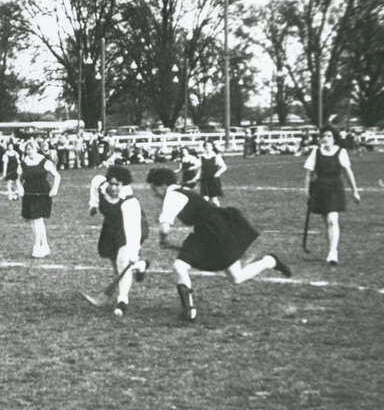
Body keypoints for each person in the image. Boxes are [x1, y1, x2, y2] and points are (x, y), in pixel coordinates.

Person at [147, 167, 292, 322]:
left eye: (154, 188)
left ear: (163, 185)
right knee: (235, 277)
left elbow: (165, 225)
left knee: (183, 266)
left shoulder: (173, 195)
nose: (154, 193)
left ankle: (189, 311)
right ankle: (269, 261)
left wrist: (163, 239)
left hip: (215, 230)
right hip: (210, 229)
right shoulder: (181, 191)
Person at [95, 165, 149, 317]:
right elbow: (95, 183)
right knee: (115, 264)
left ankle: (122, 300)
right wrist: (92, 205)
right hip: (111, 229)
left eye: (117, 184)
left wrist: (134, 252)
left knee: (122, 261)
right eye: (111, 183)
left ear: (124, 184)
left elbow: (133, 231)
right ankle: (141, 265)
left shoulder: (129, 201)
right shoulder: (101, 186)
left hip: (130, 228)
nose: (113, 187)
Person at [304, 125, 361, 266]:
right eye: (323, 136)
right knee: (327, 222)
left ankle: (333, 252)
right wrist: (307, 192)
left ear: (334, 138)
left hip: (335, 187)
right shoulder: (316, 152)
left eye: (329, 136)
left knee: (332, 220)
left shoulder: (341, 152)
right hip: (320, 187)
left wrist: (355, 191)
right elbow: (309, 174)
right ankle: (331, 249)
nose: (326, 139)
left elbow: (348, 172)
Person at [16, 139, 61, 258]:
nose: (29, 151)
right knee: (36, 221)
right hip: (29, 193)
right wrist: (20, 188)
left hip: (42, 193)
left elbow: (57, 176)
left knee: (37, 219)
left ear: (36, 149)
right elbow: (18, 179)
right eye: (27, 149)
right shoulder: (23, 163)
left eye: (32, 148)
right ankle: (45, 246)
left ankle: (36, 247)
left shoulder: (44, 161)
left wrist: (55, 189)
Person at [197, 140, 227, 206]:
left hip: (213, 180)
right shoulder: (202, 157)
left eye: (209, 145)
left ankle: (218, 212)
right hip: (204, 180)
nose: (207, 147)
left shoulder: (216, 156)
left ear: (212, 147)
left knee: (214, 200)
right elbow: (200, 168)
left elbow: (224, 167)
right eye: (206, 146)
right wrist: (197, 177)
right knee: (205, 199)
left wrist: (218, 173)